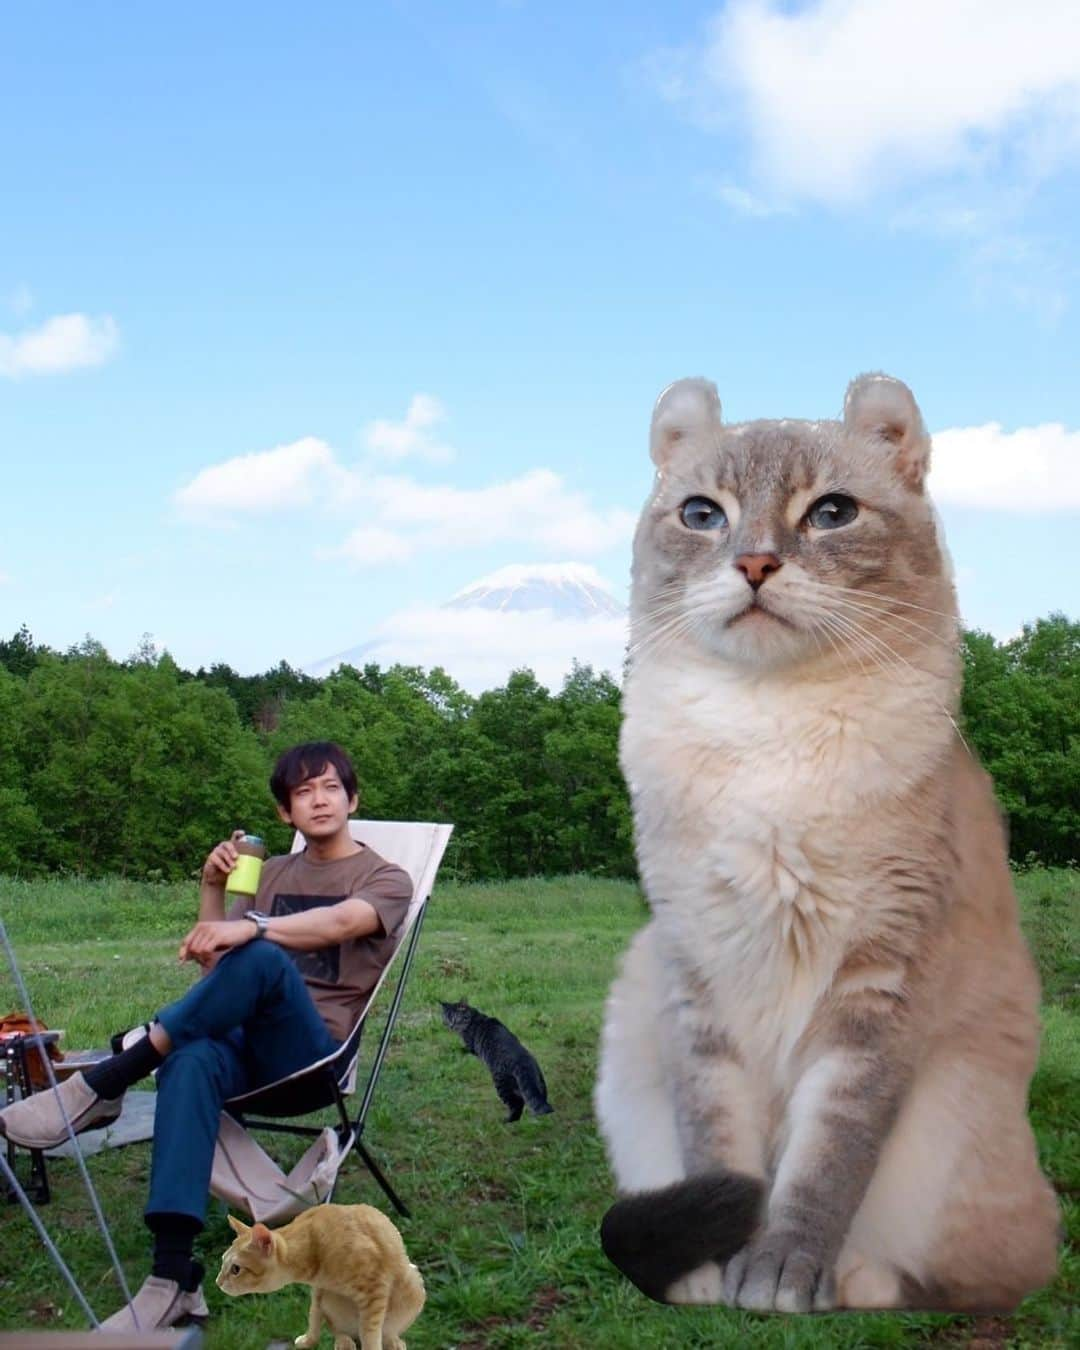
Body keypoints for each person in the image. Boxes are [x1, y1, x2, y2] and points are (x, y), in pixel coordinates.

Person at [0, 741, 413, 1333]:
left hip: (312, 1054)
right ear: (284, 814)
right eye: (302, 792)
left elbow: (346, 921)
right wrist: (212, 887)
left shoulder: (384, 877)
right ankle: (173, 1279)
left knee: (264, 955)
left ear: (353, 798)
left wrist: (254, 927)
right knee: (191, 1055)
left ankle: (109, 1079)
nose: (318, 800)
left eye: (329, 788)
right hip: (244, 1047)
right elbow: (219, 971)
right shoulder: (270, 873)